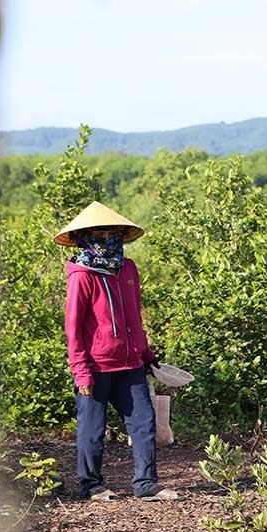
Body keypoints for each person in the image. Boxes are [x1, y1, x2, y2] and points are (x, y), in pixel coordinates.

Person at [54, 201, 179, 502]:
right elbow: (73, 329)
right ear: (86, 237)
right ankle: (92, 485)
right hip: (96, 368)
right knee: (92, 429)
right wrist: (81, 371)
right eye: (99, 233)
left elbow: (135, 317)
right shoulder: (82, 276)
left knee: (144, 422)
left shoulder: (129, 269)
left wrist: (146, 355)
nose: (106, 239)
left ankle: (146, 483)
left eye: (112, 234)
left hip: (130, 364)